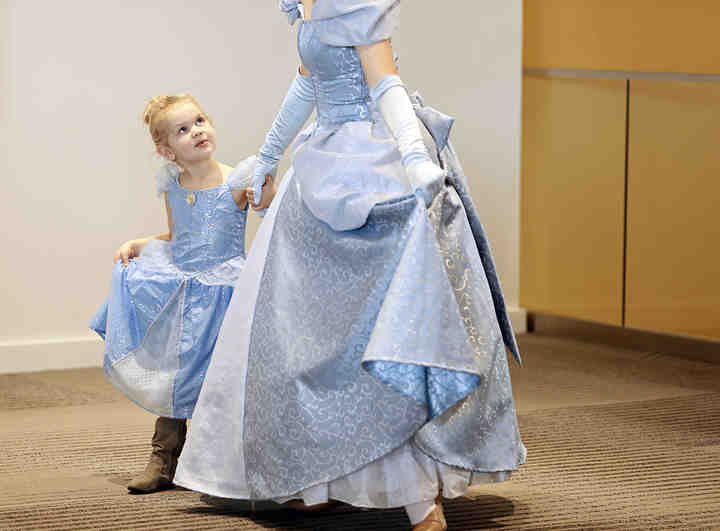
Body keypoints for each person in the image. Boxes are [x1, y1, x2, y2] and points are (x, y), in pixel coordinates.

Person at [174, 2, 525, 530]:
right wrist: (268, 158)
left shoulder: (357, 2)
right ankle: (326, 476)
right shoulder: (309, 5)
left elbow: (387, 85)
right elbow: (306, 86)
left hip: (370, 162)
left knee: (383, 328)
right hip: (321, 160)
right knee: (305, 330)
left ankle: (416, 494)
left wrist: (414, 158)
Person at [89, 94, 274, 494]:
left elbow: (269, 210)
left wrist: (267, 185)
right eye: (183, 130)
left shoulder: (237, 179)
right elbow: (178, 237)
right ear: (166, 150)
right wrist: (142, 242)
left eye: (199, 121)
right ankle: (164, 453)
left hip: (225, 291)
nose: (197, 132)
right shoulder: (173, 186)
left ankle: (221, 465)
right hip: (184, 288)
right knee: (176, 371)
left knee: (220, 376)